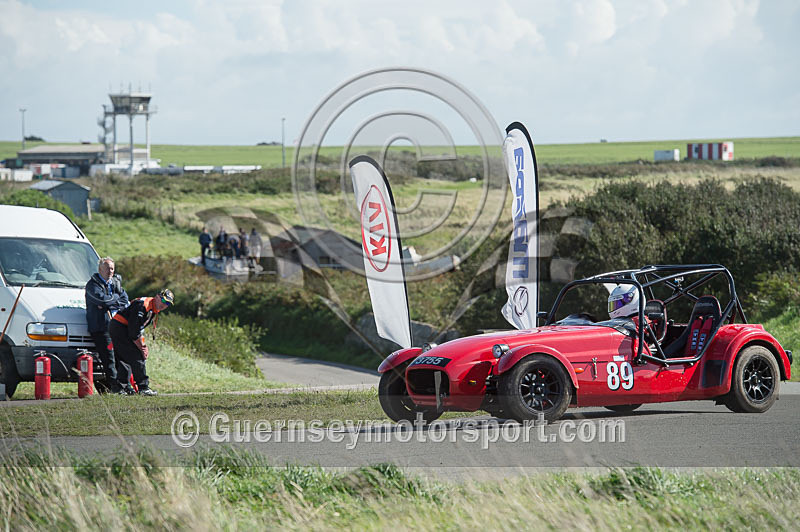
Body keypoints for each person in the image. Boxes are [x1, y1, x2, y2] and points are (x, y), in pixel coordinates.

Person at [109, 288, 174, 396]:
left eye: (168, 304)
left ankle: (121, 388)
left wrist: (143, 345)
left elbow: (140, 329)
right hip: (119, 327)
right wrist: (142, 348)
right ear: (157, 297)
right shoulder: (143, 305)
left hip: (122, 328)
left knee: (125, 358)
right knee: (137, 356)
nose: (164, 305)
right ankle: (143, 387)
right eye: (163, 301)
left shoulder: (153, 309)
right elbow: (134, 332)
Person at [85, 257, 129, 394]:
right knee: (109, 359)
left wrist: (109, 302)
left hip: (116, 327)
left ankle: (125, 386)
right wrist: (113, 300)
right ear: (100, 269)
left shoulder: (116, 283)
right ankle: (115, 388)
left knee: (121, 358)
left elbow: (125, 301)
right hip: (101, 328)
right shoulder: (92, 285)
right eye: (107, 268)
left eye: (112, 268)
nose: (110, 271)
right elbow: (101, 300)